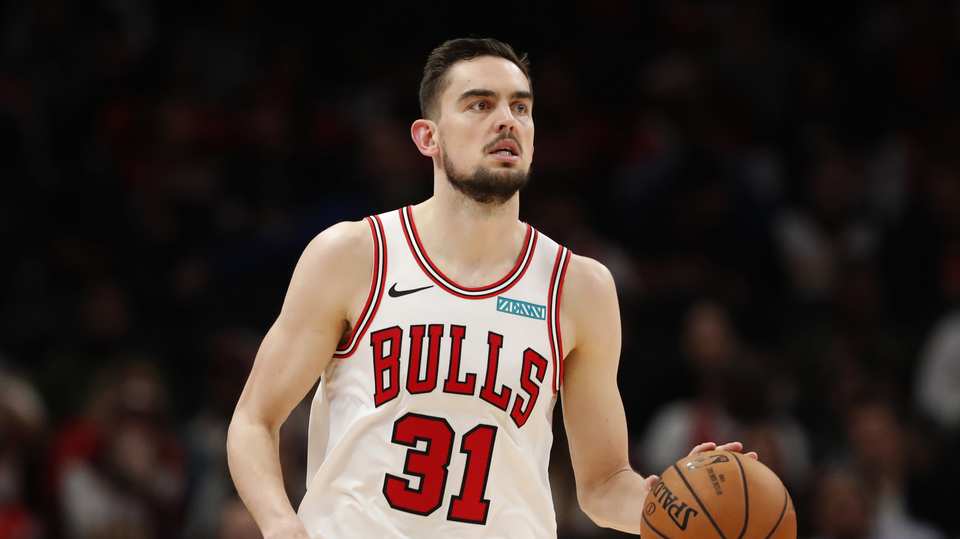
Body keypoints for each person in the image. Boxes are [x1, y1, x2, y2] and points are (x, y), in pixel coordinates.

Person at [226, 37, 752, 539]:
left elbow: (603, 485)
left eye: (520, 107)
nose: (507, 120)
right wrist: (280, 524)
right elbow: (253, 420)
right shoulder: (354, 256)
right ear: (428, 137)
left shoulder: (579, 287)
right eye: (480, 104)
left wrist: (677, 508)